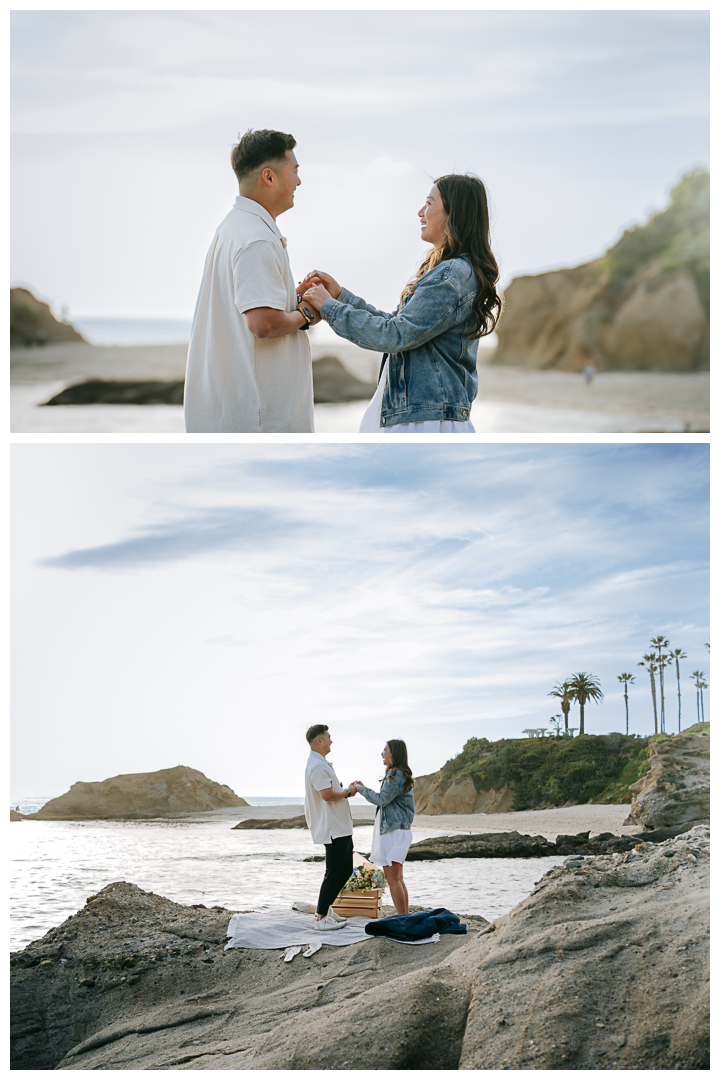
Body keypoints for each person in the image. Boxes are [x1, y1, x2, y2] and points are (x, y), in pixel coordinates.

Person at [299, 174, 501, 433]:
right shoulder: (450, 272)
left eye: (429, 203)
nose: (420, 212)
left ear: (454, 213)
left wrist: (329, 307)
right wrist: (340, 297)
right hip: (427, 418)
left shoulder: (449, 276)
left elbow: (393, 335)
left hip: (427, 424)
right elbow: (396, 324)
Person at [184, 128, 320, 433]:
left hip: (235, 415)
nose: (299, 181)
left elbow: (254, 309)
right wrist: (309, 314)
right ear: (269, 177)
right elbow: (264, 324)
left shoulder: (234, 227)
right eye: (294, 171)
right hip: (259, 420)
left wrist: (291, 298)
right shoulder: (256, 238)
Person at [304, 724, 358, 931]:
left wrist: (346, 789)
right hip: (333, 827)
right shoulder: (317, 765)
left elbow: (330, 790)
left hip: (340, 826)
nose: (331, 740)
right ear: (319, 740)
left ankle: (326, 908)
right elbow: (326, 795)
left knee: (345, 871)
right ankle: (320, 918)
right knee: (334, 872)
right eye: (328, 737)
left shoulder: (321, 763)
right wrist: (348, 793)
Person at [352, 740, 415, 914]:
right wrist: (364, 788)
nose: (382, 753)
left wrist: (360, 789)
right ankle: (405, 916)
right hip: (396, 831)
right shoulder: (398, 775)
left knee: (392, 878)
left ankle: (403, 918)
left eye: (385, 750)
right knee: (397, 878)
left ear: (394, 753)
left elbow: (381, 800)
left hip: (393, 832)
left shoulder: (396, 775)